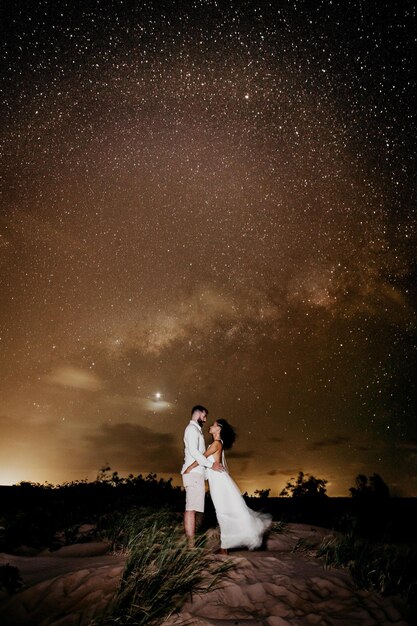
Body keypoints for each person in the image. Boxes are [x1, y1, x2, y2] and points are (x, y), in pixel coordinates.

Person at [184, 419, 272, 553]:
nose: (211, 426)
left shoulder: (216, 443)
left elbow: (202, 458)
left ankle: (224, 548)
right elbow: (219, 464)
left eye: (214, 425)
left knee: (222, 512)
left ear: (219, 429)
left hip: (219, 482)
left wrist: (189, 468)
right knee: (223, 511)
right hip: (218, 480)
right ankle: (225, 546)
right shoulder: (219, 443)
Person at [181, 405, 223, 544]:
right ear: (198, 414)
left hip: (196, 474)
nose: (205, 420)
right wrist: (211, 465)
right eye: (204, 416)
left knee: (193, 509)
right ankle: (191, 545)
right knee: (191, 509)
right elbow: (194, 451)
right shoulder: (192, 429)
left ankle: (191, 543)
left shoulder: (196, 431)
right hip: (193, 474)